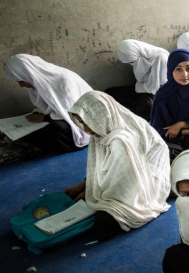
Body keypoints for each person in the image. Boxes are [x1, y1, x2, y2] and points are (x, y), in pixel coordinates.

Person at [63, 91, 171, 241]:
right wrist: (85, 186)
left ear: (101, 116)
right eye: (82, 123)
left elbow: (125, 180)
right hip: (127, 175)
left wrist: (94, 197)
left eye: (87, 122)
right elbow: (102, 164)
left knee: (104, 224)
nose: (86, 129)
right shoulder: (101, 130)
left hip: (147, 179)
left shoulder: (122, 140)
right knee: (87, 200)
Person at [4, 54, 92, 154]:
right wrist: (40, 115)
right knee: (37, 126)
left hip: (83, 122)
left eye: (21, 81)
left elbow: (73, 114)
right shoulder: (39, 83)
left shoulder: (62, 80)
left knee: (56, 128)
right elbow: (48, 107)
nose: (21, 85)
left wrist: (46, 118)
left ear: (28, 74)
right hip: (63, 118)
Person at [105, 40, 169, 121]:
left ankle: (119, 117)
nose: (132, 64)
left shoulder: (162, 59)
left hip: (158, 94)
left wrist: (140, 89)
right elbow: (141, 84)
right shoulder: (143, 57)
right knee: (110, 92)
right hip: (141, 89)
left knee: (147, 108)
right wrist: (139, 89)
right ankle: (126, 111)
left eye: (132, 61)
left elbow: (156, 89)